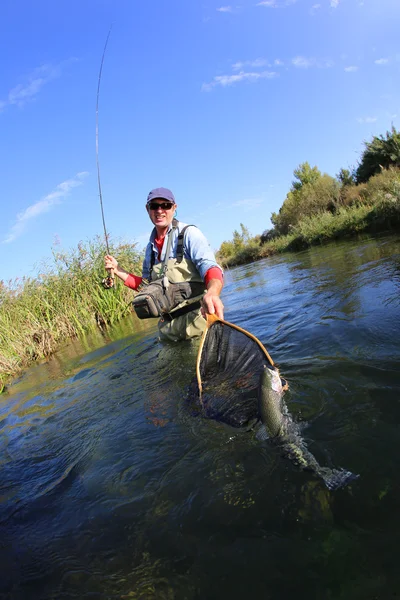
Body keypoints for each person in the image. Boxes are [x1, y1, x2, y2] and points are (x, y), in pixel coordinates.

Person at [104, 187, 224, 341]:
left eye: (165, 205)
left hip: (200, 328)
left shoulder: (188, 233)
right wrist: (117, 269)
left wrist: (213, 291)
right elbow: (146, 286)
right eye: (154, 206)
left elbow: (209, 267)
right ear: (148, 209)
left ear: (174, 208)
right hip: (168, 334)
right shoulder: (149, 249)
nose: (159, 210)